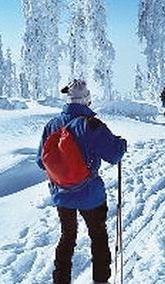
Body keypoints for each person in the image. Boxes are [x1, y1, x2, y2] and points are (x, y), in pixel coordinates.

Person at [37, 79, 127, 284]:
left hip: (61, 195)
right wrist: (121, 144)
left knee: (67, 237)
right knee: (98, 236)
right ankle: (101, 281)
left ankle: (60, 281)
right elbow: (114, 155)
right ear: (87, 99)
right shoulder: (91, 125)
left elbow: (40, 162)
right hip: (90, 195)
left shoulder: (51, 125)